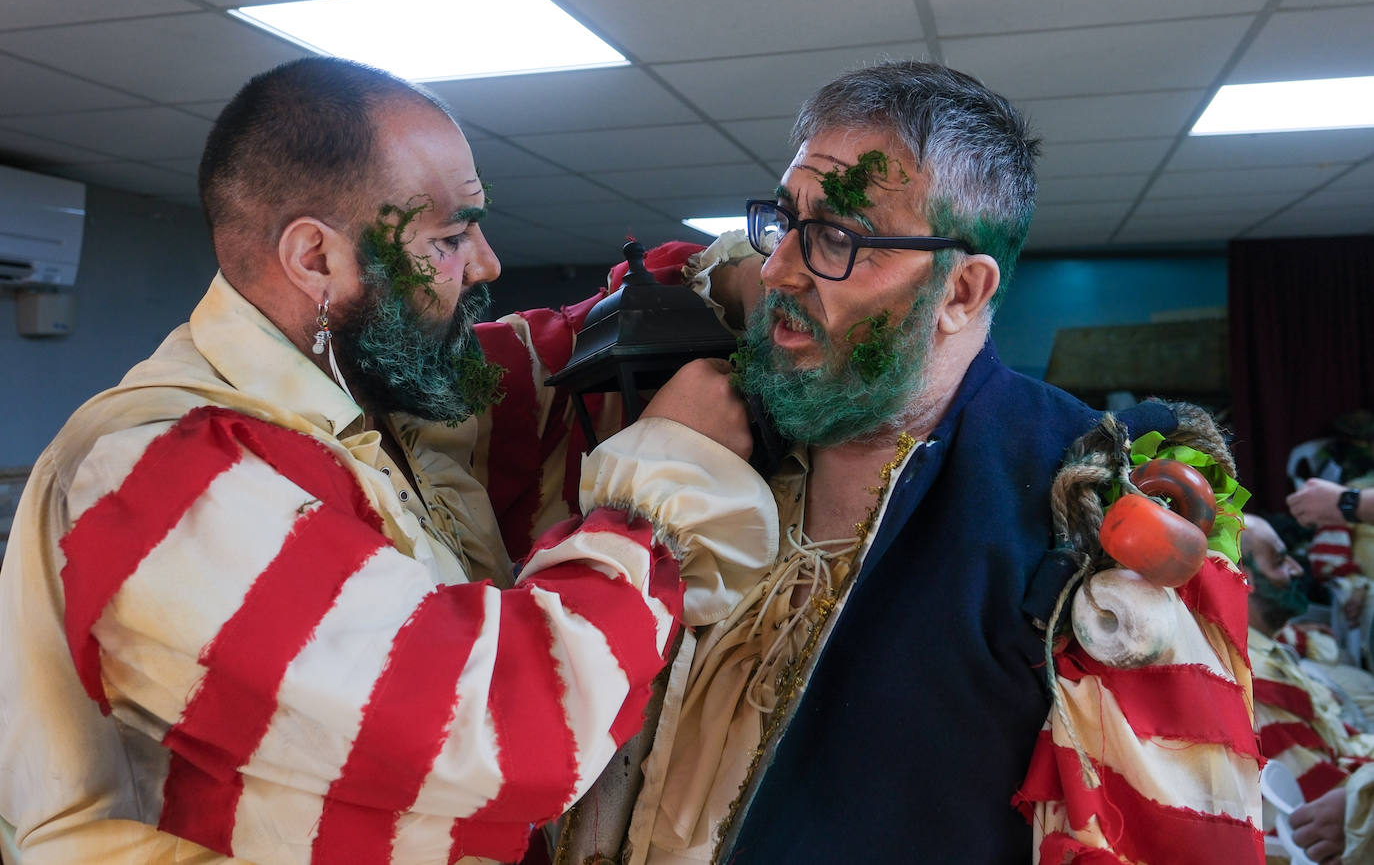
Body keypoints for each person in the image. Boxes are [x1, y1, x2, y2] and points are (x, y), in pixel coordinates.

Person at [0, 57, 778, 865]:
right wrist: (666, 490)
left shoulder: (357, 399)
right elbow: (504, 731)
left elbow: (542, 361)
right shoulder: (166, 474)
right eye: (448, 237)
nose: (485, 264)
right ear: (316, 260)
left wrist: (727, 283)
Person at [554, 60, 1261, 864]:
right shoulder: (710, 434)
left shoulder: (1082, 521)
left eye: (838, 238)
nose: (781, 267)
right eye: (786, 221)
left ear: (961, 291)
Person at [1242, 513, 1374, 865]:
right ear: (1243, 578)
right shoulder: (1254, 676)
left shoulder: (1267, 651)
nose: (1298, 570)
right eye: (1279, 560)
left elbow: (1339, 744)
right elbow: (1318, 805)